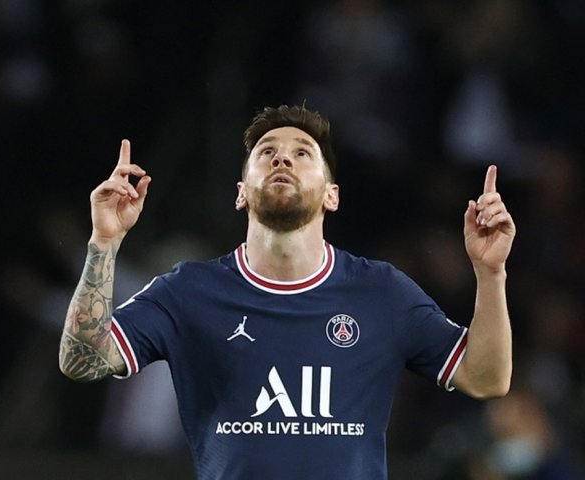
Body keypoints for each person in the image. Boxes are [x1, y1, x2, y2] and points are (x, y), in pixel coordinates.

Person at [59, 105, 516, 479]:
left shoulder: (382, 292)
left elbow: (486, 378)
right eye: (267, 152)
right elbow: (82, 360)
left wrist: (491, 273)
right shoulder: (189, 292)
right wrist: (104, 243)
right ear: (241, 193)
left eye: (302, 153)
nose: (282, 159)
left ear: (332, 195)